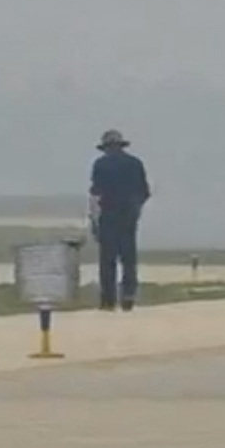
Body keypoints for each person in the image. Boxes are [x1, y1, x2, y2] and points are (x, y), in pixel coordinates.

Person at [87, 128, 148, 312]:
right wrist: (135, 209)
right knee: (129, 258)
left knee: (107, 260)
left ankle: (108, 299)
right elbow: (144, 192)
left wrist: (94, 220)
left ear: (106, 147)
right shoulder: (135, 163)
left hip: (108, 216)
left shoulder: (100, 165)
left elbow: (95, 194)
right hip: (129, 216)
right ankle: (128, 295)